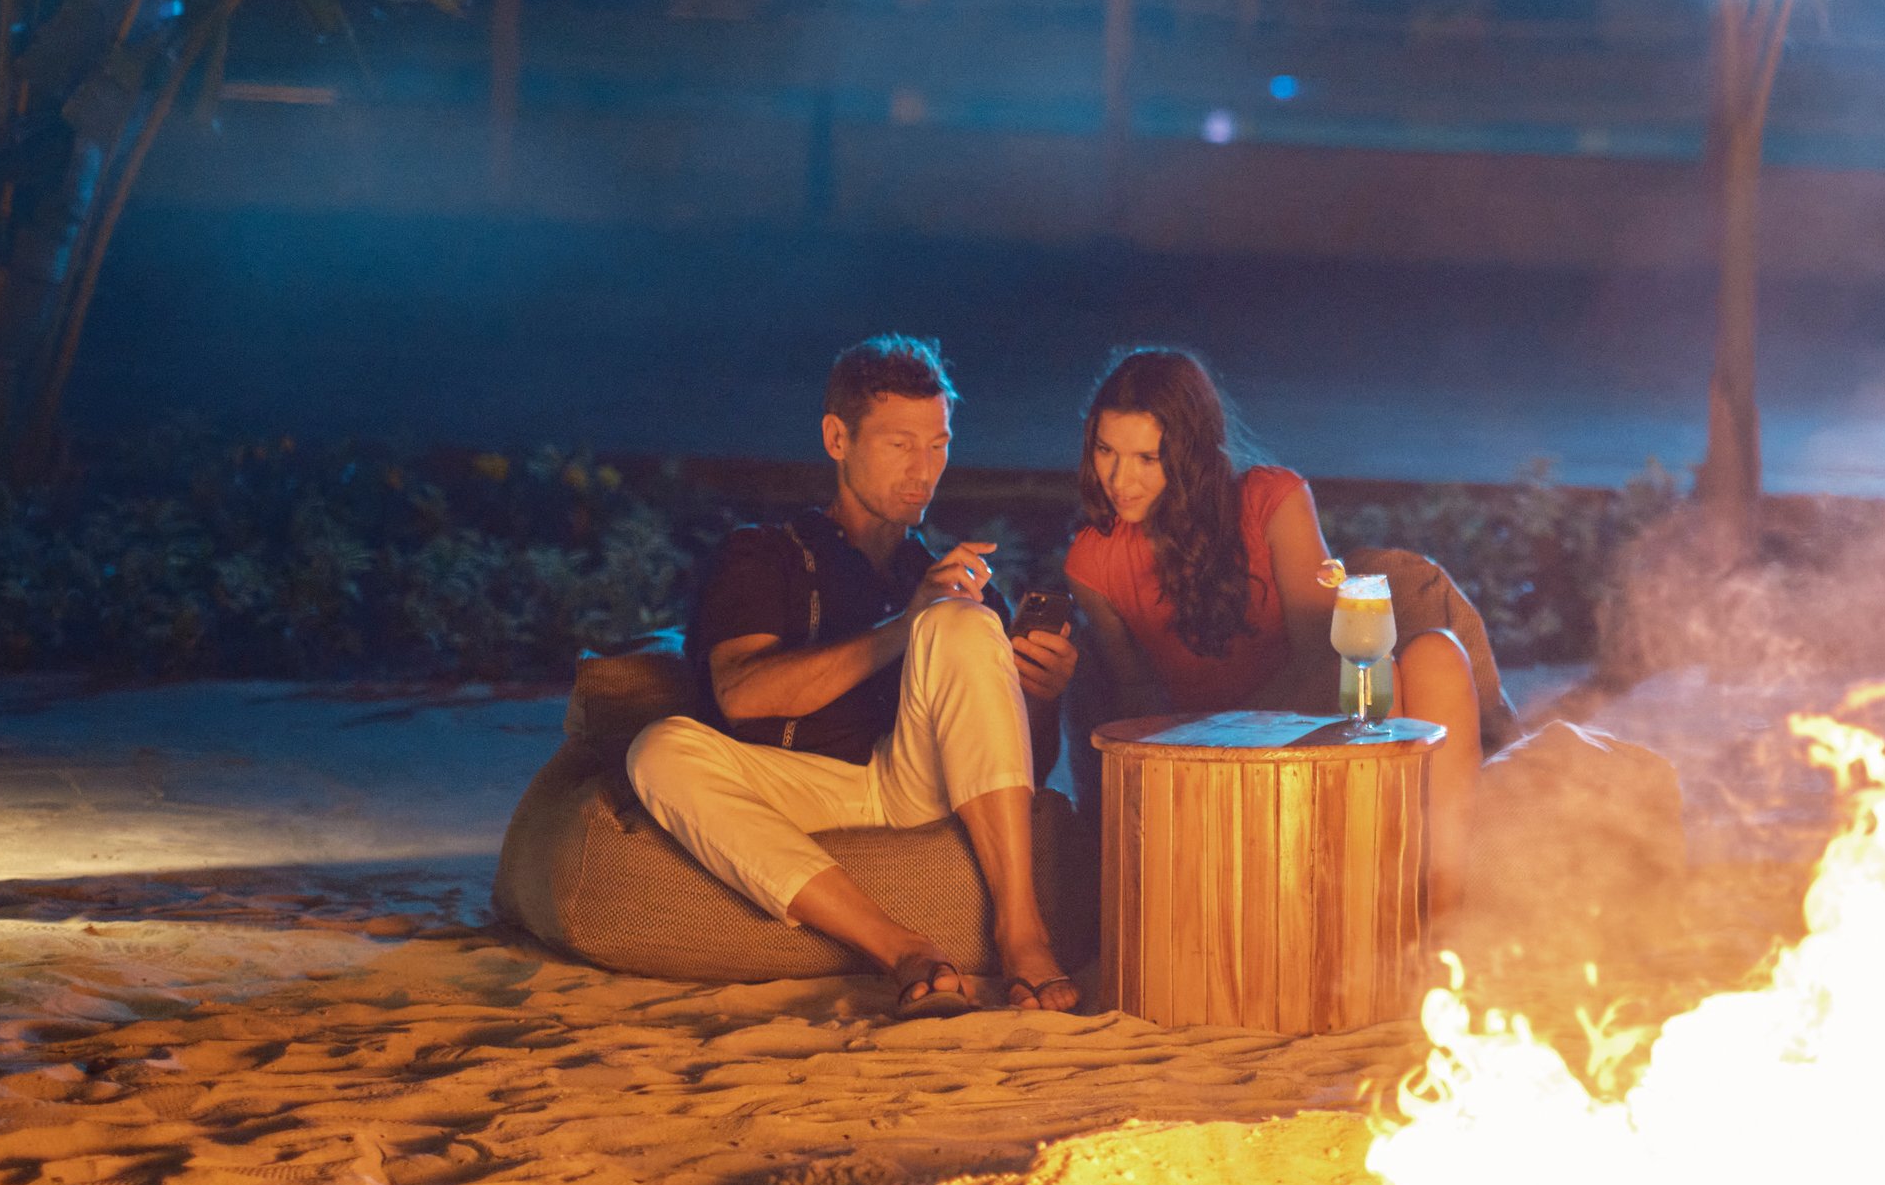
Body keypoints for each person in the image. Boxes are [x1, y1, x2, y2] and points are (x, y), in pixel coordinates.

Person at [624, 335, 1082, 1013]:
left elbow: (1021, 775)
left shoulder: (953, 584)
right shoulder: (764, 553)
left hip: (910, 783)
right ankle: (902, 948)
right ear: (837, 437)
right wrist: (905, 625)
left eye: (939, 444)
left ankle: (1022, 935)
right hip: (795, 781)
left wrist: (1041, 697)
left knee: (963, 619)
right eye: (900, 444)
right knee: (658, 750)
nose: (924, 469)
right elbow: (743, 696)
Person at [1057, 345, 1511, 910]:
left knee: (1438, 653)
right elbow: (1135, 695)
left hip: (1308, 708)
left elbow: (1322, 650)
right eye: (1106, 450)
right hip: (1216, 745)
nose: (1119, 479)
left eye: (1147, 458)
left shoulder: (1272, 499)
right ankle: (1380, 905)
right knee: (1379, 680)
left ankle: (1442, 914)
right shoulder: (1091, 561)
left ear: (1191, 454)